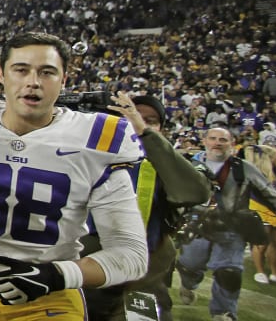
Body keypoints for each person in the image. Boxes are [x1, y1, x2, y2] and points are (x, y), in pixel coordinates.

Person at [0, 32, 148, 321]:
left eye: (47, 72)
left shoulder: (97, 139)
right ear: (0, 74)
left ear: (64, 80)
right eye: (21, 69)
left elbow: (132, 255)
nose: (33, 81)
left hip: (47, 299)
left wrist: (58, 274)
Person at [79, 92, 211, 321]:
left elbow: (196, 192)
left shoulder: (171, 163)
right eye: (129, 116)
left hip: (145, 272)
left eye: (150, 120)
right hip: (91, 262)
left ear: (160, 129)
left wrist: (144, 132)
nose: (135, 121)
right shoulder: (89, 156)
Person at [176, 126, 276, 321]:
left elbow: (270, 194)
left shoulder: (243, 167)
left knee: (229, 273)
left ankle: (223, 313)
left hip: (232, 229)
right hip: (196, 227)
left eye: (223, 139)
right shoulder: (187, 165)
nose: (217, 143)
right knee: (189, 266)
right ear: (204, 141)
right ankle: (188, 283)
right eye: (213, 138)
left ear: (232, 144)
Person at [242, 143, 276, 285]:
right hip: (258, 208)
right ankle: (260, 271)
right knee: (261, 243)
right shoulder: (253, 173)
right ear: (267, 158)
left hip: (275, 209)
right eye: (275, 156)